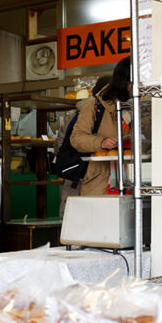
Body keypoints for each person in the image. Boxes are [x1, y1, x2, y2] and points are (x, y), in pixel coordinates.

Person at [70, 56, 131, 196]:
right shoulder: (94, 106)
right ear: (125, 82)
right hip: (100, 181)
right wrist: (102, 142)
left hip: (137, 178)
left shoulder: (141, 106)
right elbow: (77, 138)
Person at [56, 74, 111, 215]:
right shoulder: (90, 112)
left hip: (78, 173)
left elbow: (59, 145)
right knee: (76, 216)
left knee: (73, 216)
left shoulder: (73, 115)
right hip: (80, 173)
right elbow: (72, 142)